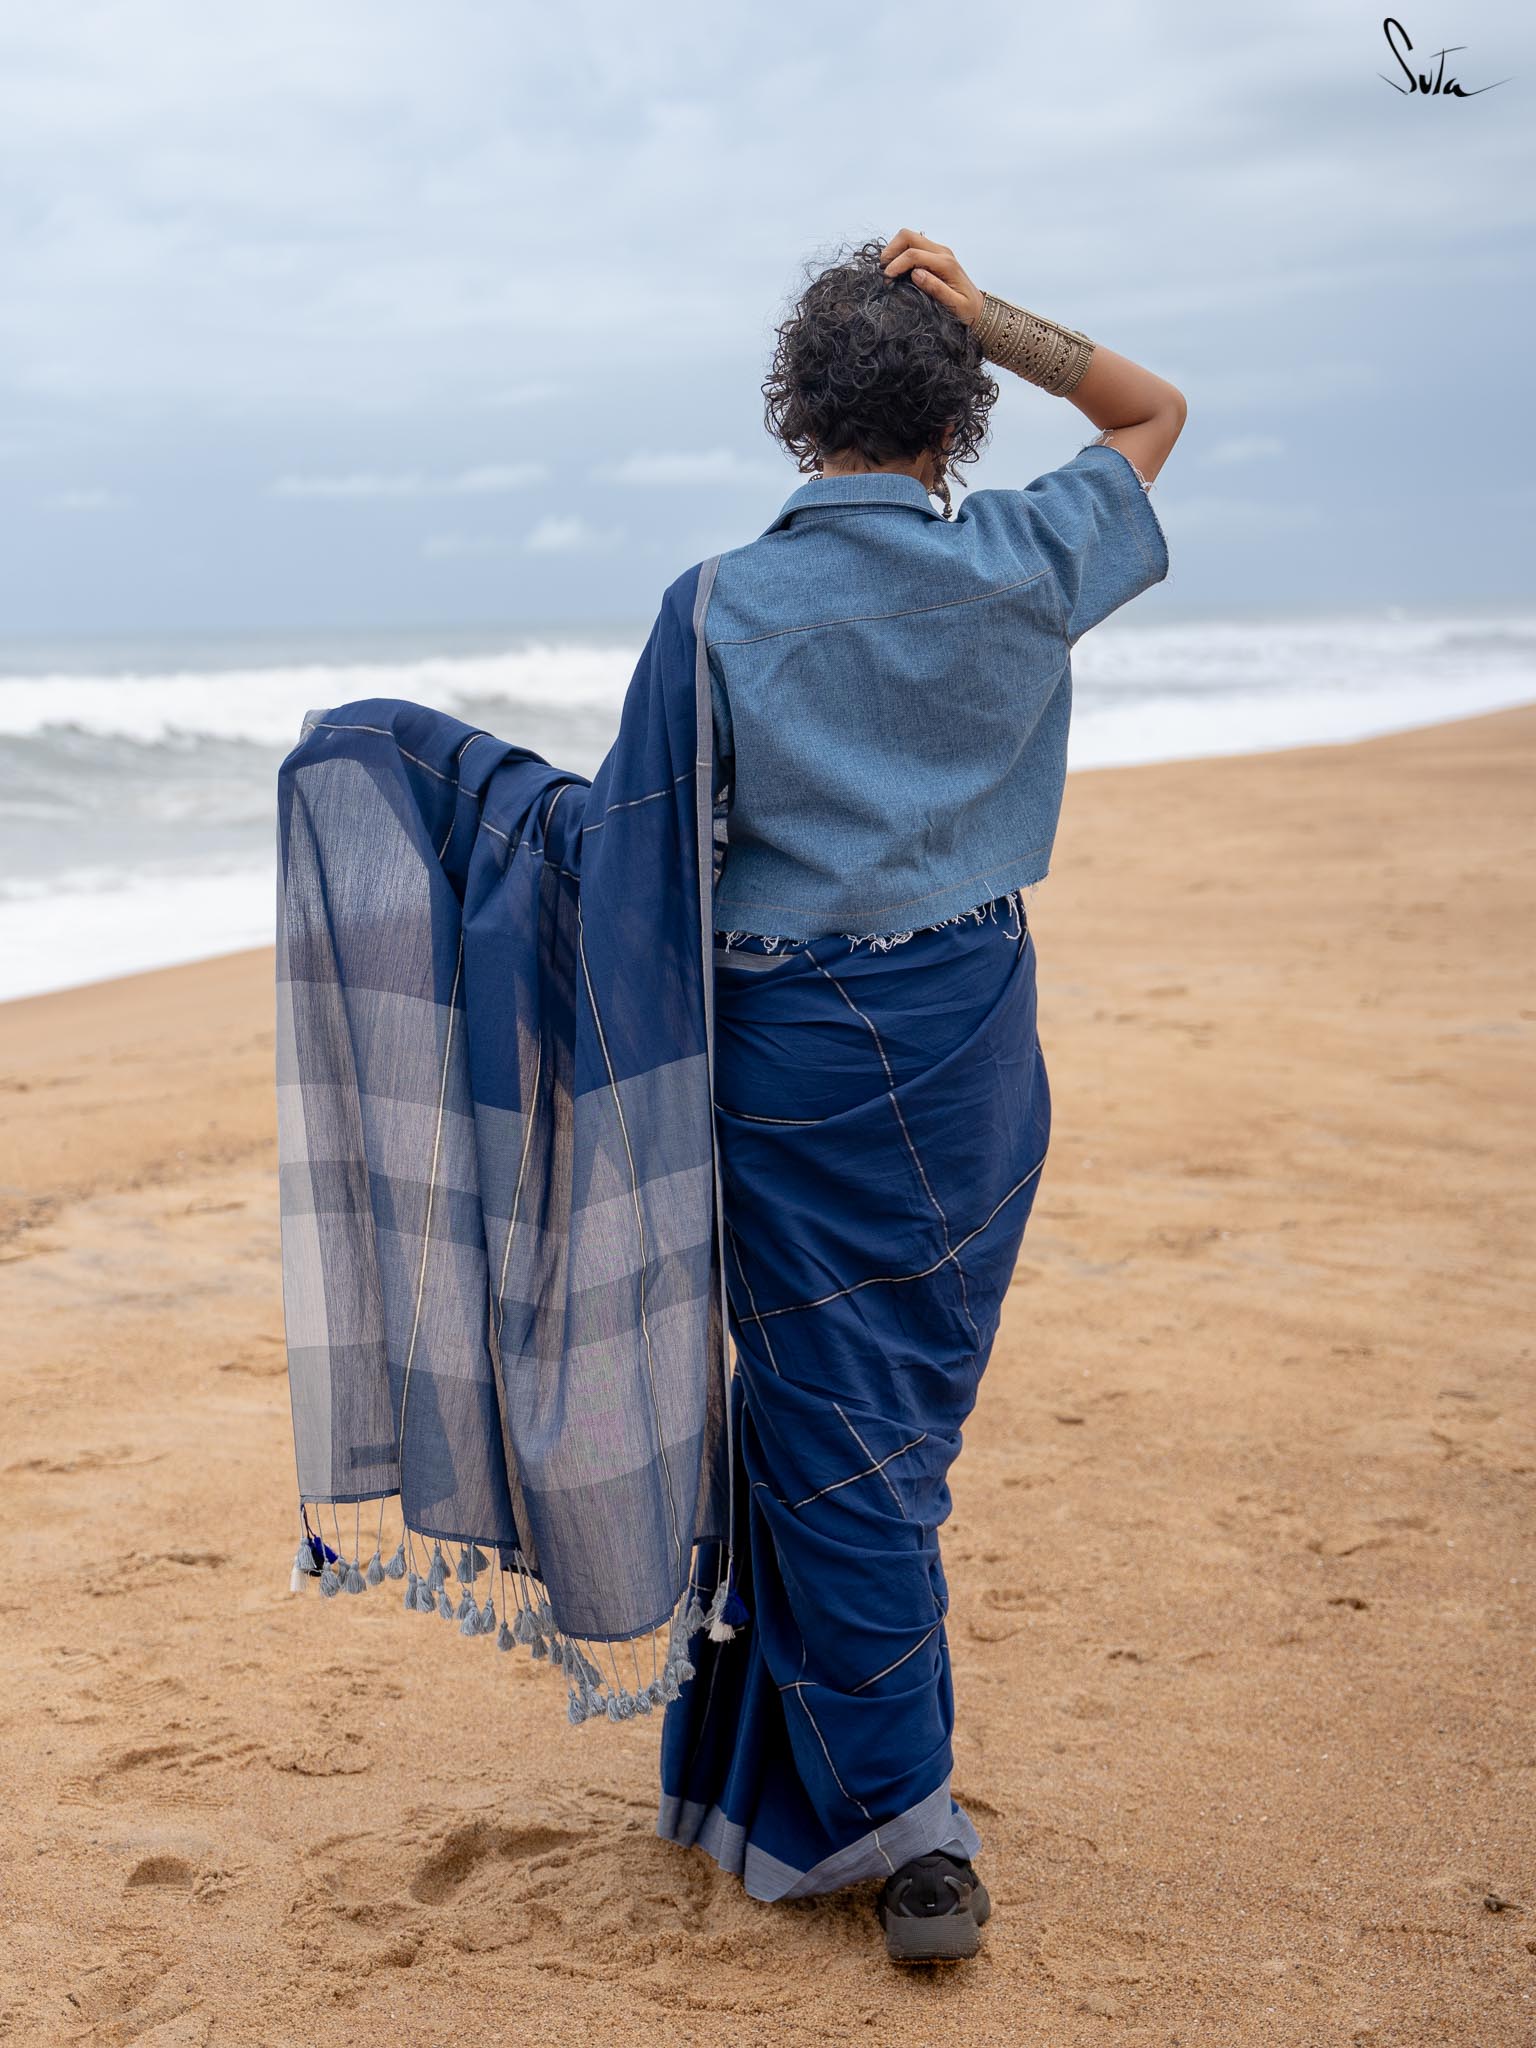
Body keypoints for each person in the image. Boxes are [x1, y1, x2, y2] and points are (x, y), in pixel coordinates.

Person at [653, 229, 1186, 1963]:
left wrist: (464, 818)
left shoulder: (721, 603)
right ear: (958, 416)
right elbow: (1155, 408)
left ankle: (910, 1832)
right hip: (971, 1040)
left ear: (795, 412)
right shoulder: (1027, 557)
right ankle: (860, 1786)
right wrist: (1004, 319)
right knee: (884, 1435)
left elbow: (644, 857)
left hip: (792, 1062)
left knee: (839, 1435)